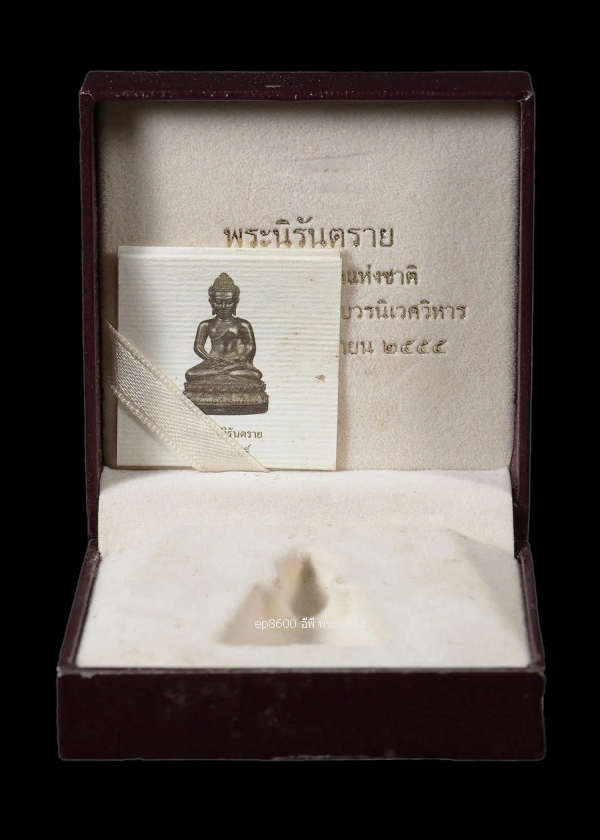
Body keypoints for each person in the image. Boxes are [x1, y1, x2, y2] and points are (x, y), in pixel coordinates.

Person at [184, 273, 268, 414]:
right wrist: (210, 359)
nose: (223, 306)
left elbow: (250, 347)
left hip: (235, 365)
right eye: (218, 302)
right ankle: (223, 374)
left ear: (235, 302)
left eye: (228, 302)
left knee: (255, 376)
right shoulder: (206, 324)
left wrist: (237, 360)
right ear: (212, 302)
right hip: (212, 364)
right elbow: (198, 346)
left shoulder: (243, 324)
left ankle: (223, 374)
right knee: (191, 374)